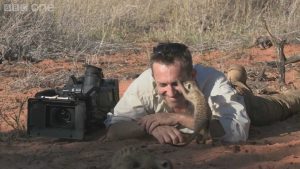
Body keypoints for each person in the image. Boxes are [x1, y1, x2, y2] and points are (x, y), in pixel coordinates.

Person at [103, 42, 300, 145]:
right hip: (220, 98)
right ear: (154, 79)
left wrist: (175, 118)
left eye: (178, 83)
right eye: (163, 84)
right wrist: (150, 128)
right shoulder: (145, 83)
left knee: (282, 106)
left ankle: (237, 81)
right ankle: (236, 76)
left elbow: (237, 129)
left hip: (245, 105)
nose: (170, 92)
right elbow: (113, 129)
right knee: (235, 83)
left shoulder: (213, 81)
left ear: (193, 75)